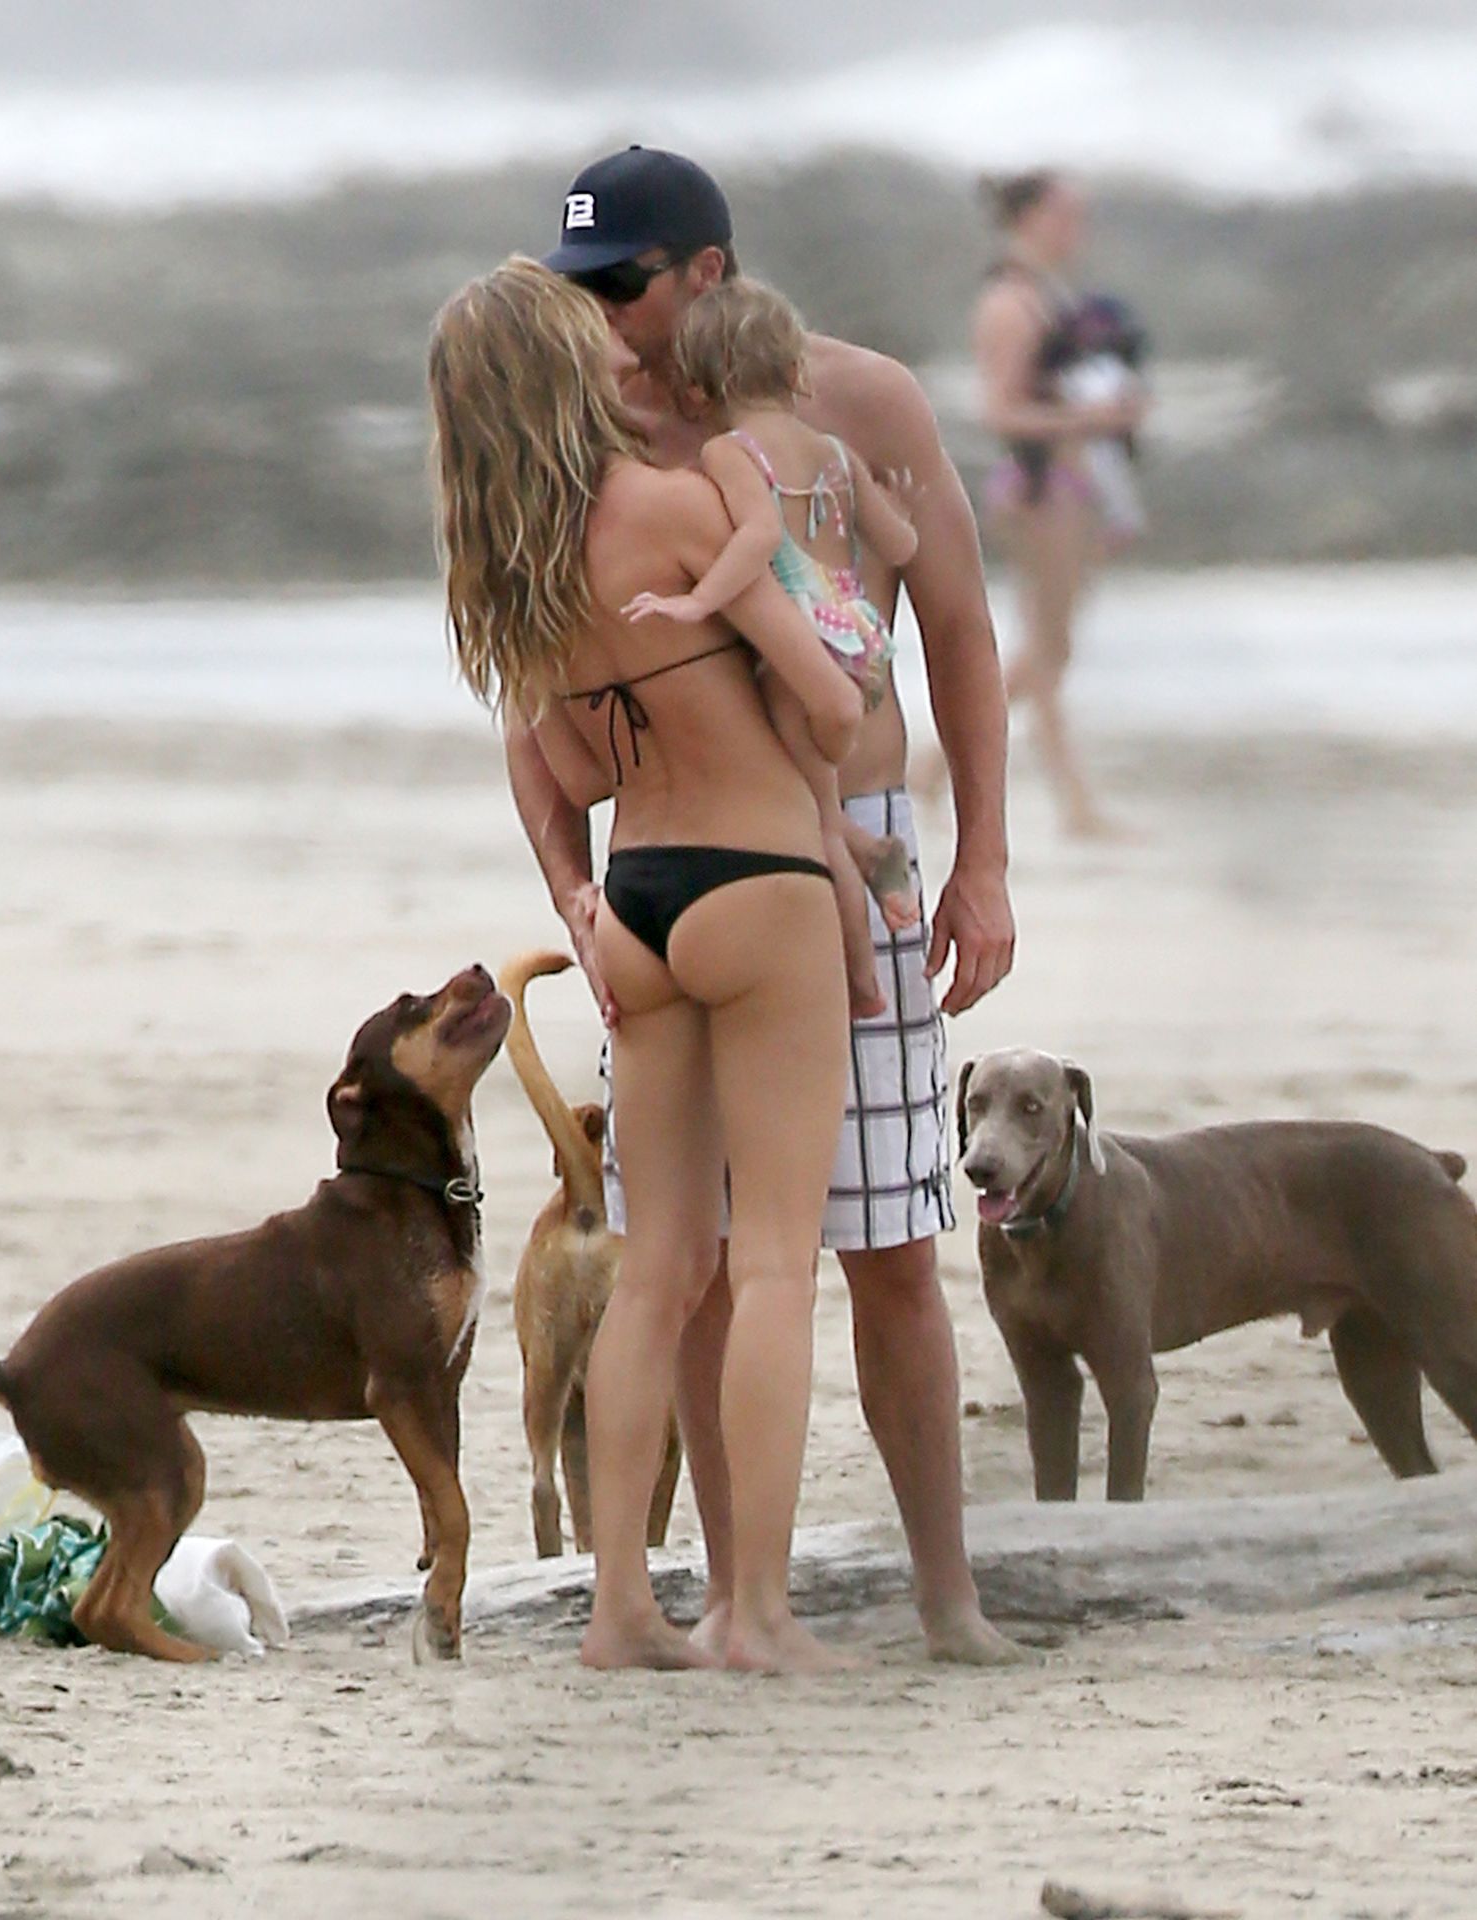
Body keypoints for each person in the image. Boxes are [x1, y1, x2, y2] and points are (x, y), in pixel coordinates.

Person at [508, 146, 1024, 1665]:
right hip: (677, 862)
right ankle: (739, 1597)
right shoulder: (583, 423)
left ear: (708, 273)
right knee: (690, 1262)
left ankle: (945, 1596)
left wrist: (982, 860)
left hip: (859, 847)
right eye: (580, 290)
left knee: (891, 1248)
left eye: (625, 285)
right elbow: (526, 696)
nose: (605, 318)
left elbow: (958, 630)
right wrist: (567, 888)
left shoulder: (861, 403)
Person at [430, 256, 867, 1673]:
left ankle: (620, 1606)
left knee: (659, 1267)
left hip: (637, 903)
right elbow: (830, 710)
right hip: (759, 881)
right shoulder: (675, 509)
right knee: (777, 1264)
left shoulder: (508, 579)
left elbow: (571, 769)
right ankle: (757, 1613)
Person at [623, 275, 923, 1020]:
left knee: (813, 817)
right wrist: (897, 504)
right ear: (796, 371)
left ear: (697, 389)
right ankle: (874, 852)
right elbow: (900, 545)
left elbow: (758, 538)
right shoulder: (834, 452)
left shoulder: (731, 452)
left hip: (802, 655)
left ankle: (862, 981)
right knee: (821, 796)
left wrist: (697, 600)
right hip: (862, 640)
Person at [972, 169, 1149, 840]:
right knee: (1047, 650)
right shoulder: (1011, 302)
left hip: (1074, 487)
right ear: (1030, 217)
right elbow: (1000, 410)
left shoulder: (1051, 294)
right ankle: (1074, 804)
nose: (1078, 228)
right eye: (1065, 214)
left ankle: (939, 770)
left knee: (1052, 648)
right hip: (1040, 485)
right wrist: (1091, 419)